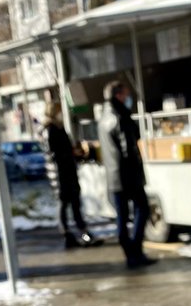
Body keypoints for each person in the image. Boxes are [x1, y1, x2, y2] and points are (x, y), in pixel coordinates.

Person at [97, 80, 154, 269]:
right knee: (142, 209)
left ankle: (130, 252)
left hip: (113, 175)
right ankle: (134, 250)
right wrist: (137, 168)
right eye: (126, 93)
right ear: (118, 95)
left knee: (122, 216)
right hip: (128, 174)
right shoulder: (121, 116)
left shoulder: (104, 117)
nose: (129, 97)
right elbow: (128, 147)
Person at [41, 101, 99, 249]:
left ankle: (83, 233)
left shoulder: (58, 128)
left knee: (74, 204)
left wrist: (75, 153)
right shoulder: (50, 130)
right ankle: (68, 234)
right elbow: (54, 154)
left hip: (67, 171)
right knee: (64, 203)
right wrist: (71, 153)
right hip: (60, 174)